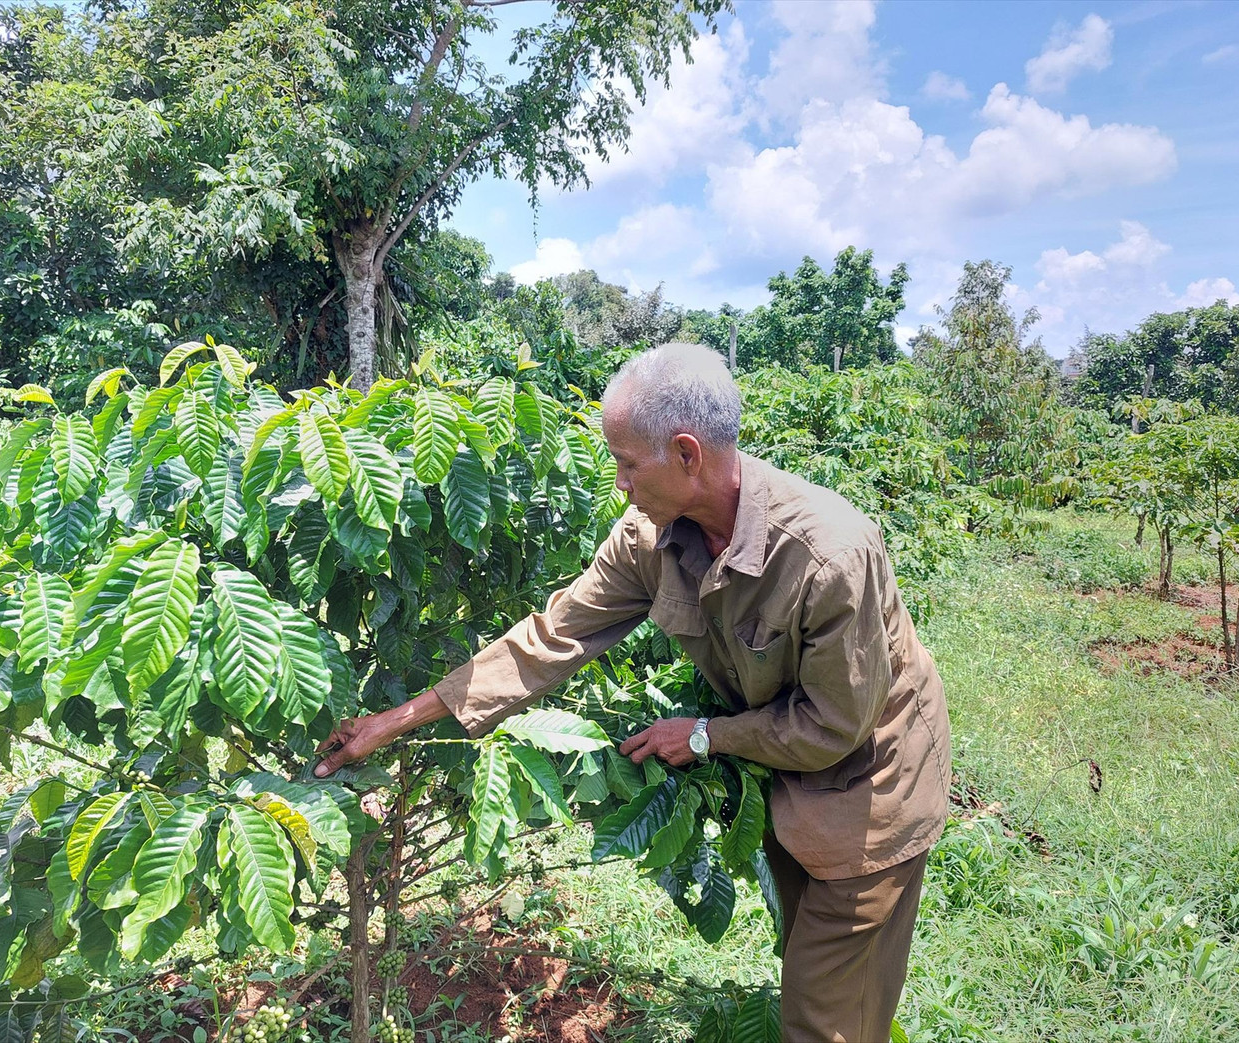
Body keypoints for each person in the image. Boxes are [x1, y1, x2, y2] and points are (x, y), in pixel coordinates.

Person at [314, 342, 951, 1043]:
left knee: (826, 1018)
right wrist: (396, 719)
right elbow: (550, 638)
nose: (618, 483)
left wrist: (705, 733)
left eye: (626, 462)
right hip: (791, 777)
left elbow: (836, 724)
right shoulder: (649, 537)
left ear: (686, 455)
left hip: (870, 783)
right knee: (817, 973)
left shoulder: (829, 555)